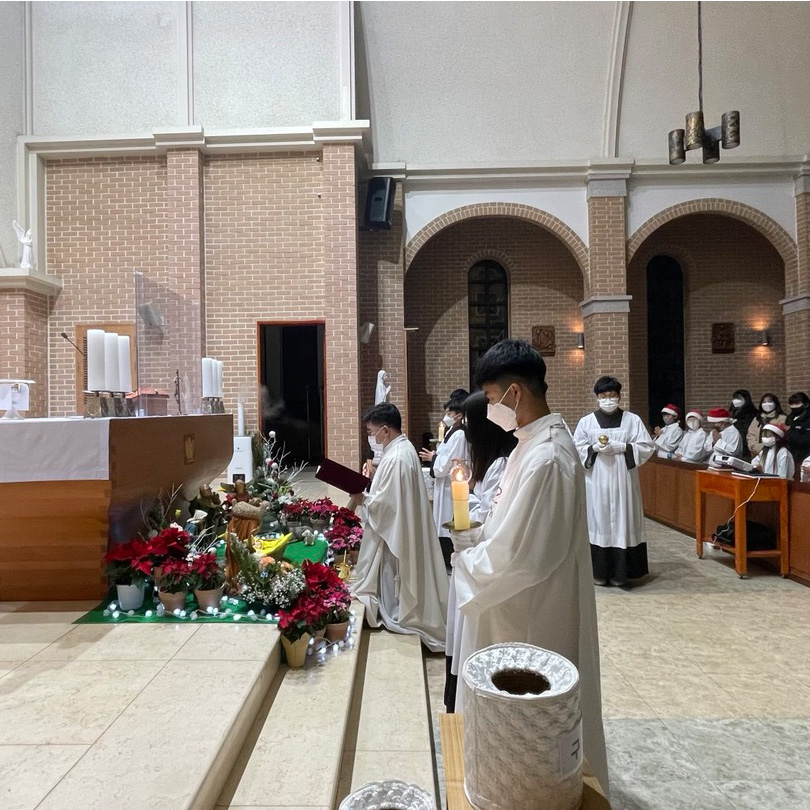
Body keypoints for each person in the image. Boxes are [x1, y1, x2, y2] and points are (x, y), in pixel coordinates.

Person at [452, 340, 608, 792]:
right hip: (515, 601)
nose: (491, 409)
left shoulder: (548, 457)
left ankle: (525, 790)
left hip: (530, 611)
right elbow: (510, 523)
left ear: (514, 393)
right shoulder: (529, 443)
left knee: (527, 727)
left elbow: (524, 557)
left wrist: (467, 559)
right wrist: (478, 534)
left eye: (492, 397)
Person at [350, 403, 449, 652]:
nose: (371, 437)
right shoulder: (402, 449)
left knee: (391, 577)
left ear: (385, 430)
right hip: (403, 527)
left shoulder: (396, 458)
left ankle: (397, 609)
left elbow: (386, 507)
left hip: (396, 535)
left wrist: (362, 498)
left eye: (371, 432)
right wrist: (373, 478)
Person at [444, 391, 517, 713]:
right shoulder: (493, 462)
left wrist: (466, 497)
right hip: (469, 556)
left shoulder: (502, 464)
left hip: (479, 558)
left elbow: (488, 518)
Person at [573, 376, 655, 587]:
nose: (608, 400)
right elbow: (576, 449)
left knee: (623, 520)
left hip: (623, 481)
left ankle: (622, 573)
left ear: (619, 396)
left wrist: (624, 447)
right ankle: (599, 572)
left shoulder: (632, 420)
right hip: (597, 482)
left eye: (612, 395)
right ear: (597, 398)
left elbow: (647, 446)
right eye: (603, 396)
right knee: (598, 521)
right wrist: (593, 449)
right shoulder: (586, 422)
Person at [419, 389, 470, 570]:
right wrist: (435, 456)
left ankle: (449, 559)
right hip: (444, 485)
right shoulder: (451, 432)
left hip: (451, 485)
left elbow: (449, 462)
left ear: (459, 416)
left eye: (449, 413)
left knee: (447, 520)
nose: (445, 417)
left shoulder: (460, 434)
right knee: (441, 521)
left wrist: (433, 457)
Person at [747, 393, 787, 457]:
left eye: (769, 401)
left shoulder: (782, 418)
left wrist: (765, 448)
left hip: (774, 453)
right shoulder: (757, 418)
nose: (767, 404)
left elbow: (782, 437)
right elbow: (750, 434)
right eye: (764, 402)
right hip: (756, 453)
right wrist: (755, 447)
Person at [729, 389, 758, 458]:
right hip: (734, 444)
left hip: (746, 446)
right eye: (735, 398)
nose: (736, 401)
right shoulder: (732, 413)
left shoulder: (753, 414)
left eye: (739, 398)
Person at [786, 392, 810, 471]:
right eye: (791, 404)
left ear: (805, 404)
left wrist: (789, 434)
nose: (794, 406)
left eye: (797, 403)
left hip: (804, 456)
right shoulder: (790, 418)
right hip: (791, 455)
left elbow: (806, 439)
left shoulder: (808, 419)